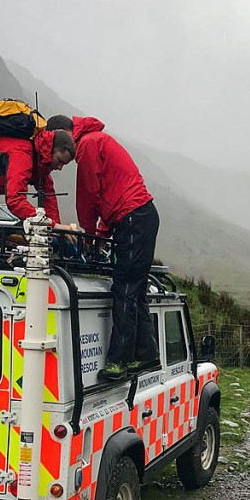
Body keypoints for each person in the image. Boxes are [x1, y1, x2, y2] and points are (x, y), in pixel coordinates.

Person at [47, 114, 159, 381]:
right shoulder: (97, 140)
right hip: (137, 217)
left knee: (125, 289)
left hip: (132, 218)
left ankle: (118, 362)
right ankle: (147, 354)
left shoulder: (88, 145)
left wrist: (86, 237)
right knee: (136, 290)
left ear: (63, 132)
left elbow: (88, 195)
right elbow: (108, 195)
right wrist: (101, 233)